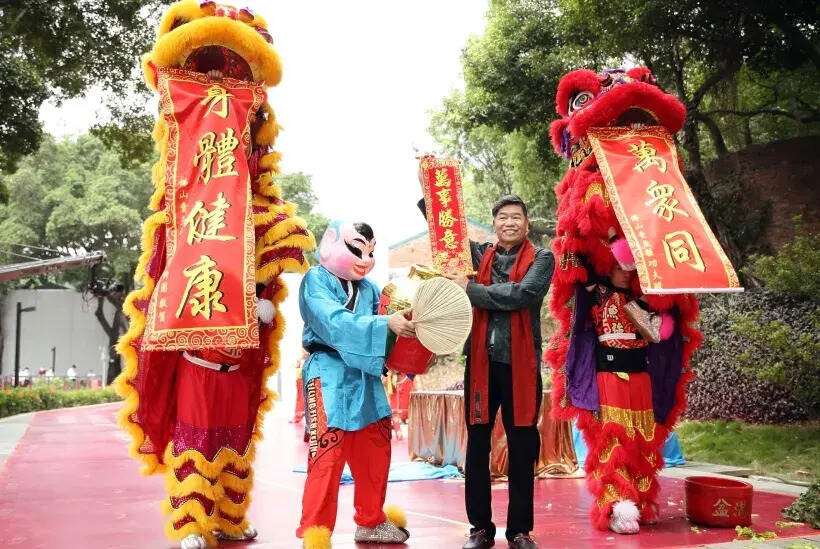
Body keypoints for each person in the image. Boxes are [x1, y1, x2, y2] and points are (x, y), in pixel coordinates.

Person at [417, 190, 553, 549]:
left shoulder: (543, 258)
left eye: (516, 217)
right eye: (503, 217)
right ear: (494, 223)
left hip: (520, 366)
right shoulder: (478, 255)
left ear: (526, 222)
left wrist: (472, 289)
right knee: (477, 447)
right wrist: (427, 188)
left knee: (523, 447)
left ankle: (520, 531)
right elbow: (447, 236)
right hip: (480, 365)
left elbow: (522, 295)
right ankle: (480, 529)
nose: (509, 223)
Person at [297, 221, 413, 548]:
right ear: (331, 242)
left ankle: (371, 520)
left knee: (376, 447)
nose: (365, 257)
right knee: (328, 454)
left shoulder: (371, 289)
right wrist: (382, 325)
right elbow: (332, 321)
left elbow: (391, 328)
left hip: (365, 375)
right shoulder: (315, 280)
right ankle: (315, 530)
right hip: (329, 373)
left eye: (370, 251)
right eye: (357, 248)